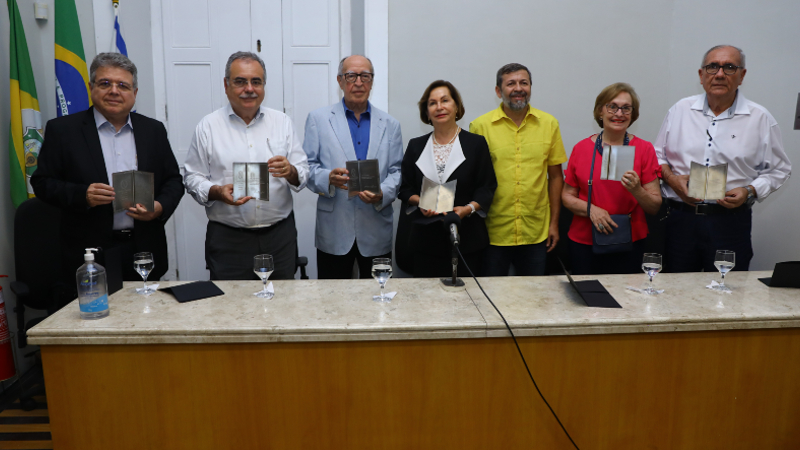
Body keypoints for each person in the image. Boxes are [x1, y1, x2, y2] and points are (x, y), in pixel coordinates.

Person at [31, 52, 184, 294]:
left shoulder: (152, 130)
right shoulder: (63, 130)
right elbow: (42, 182)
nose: (114, 91)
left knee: (145, 321)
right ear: (92, 88)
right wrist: (82, 195)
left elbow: (174, 181)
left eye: (122, 85)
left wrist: (159, 207)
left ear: (134, 93)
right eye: (105, 83)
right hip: (90, 252)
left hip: (143, 248)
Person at [655, 45, 791, 272]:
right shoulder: (680, 110)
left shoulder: (760, 118)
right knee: (675, 291)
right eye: (712, 67)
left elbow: (779, 169)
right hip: (680, 220)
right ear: (701, 75)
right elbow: (657, 156)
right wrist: (671, 179)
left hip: (729, 222)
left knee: (727, 293)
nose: (719, 74)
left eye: (729, 67)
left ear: (742, 75)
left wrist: (750, 190)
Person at [183, 51, 309, 280]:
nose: (249, 88)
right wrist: (217, 192)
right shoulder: (208, 126)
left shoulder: (282, 122)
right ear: (226, 85)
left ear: (264, 86)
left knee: (282, 305)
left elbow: (303, 172)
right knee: (230, 308)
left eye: (256, 82)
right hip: (228, 239)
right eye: (240, 81)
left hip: (279, 236)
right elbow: (192, 177)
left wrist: (291, 171)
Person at [303, 55, 403, 279]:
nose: (358, 82)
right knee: (333, 302)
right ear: (340, 81)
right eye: (351, 76)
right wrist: (327, 177)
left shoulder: (390, 124)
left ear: (372, 81)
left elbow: (397, 171)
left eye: (365, 76)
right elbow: (307, 167)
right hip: (335, 229)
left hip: (376, 227)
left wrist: (382, 193)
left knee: (379, 300)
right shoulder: (318, 119)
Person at [470, 63, 567, 276]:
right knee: (492, 300)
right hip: (493, 232)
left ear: (531, 87)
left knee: (533, 299)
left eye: (524, 83)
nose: (518, 88)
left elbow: (556, 177)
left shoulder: (549, 124)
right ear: (498, 91)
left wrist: (554, 224)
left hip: (536, 232)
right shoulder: (480, 127)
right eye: (510, 83)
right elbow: (475, 182)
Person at [398, 80, 497, 277]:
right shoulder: (416, 146)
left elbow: (487, 187)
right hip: (425, 241)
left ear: (457, 106)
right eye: (432, 103)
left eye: (445, 100)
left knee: (468, 301)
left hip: (467, 237)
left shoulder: (476, 144)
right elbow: (405, 189)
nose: (439, 107)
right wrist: (421, 203)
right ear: (426, 112)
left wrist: (468, 209)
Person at [562, 83, 662, 274]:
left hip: (630, 241)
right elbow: (567, 196)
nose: (619, 113)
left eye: (626, 108)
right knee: (587, 299)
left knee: (628, 300)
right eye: (612, 106)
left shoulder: (644, 149)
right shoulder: (581, 148)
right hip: (584, 242)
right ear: (600, 112)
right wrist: (591, 209)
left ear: (633, 114)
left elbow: (654, 205)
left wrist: (637, 190)